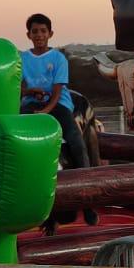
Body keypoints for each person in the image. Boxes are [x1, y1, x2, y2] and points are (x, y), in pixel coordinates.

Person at [19, 13, 88, 173]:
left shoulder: (58, 58)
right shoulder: (23, 58)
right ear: (28, 35)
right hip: (31, 104)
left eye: (43, 31)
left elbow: (57, 89)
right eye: (35, 31)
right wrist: (30, 91)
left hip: (58, 105)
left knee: (74, 138)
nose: (39, 35)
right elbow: (18, 88)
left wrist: (45, 111)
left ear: (50, 34)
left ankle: (85, 173)